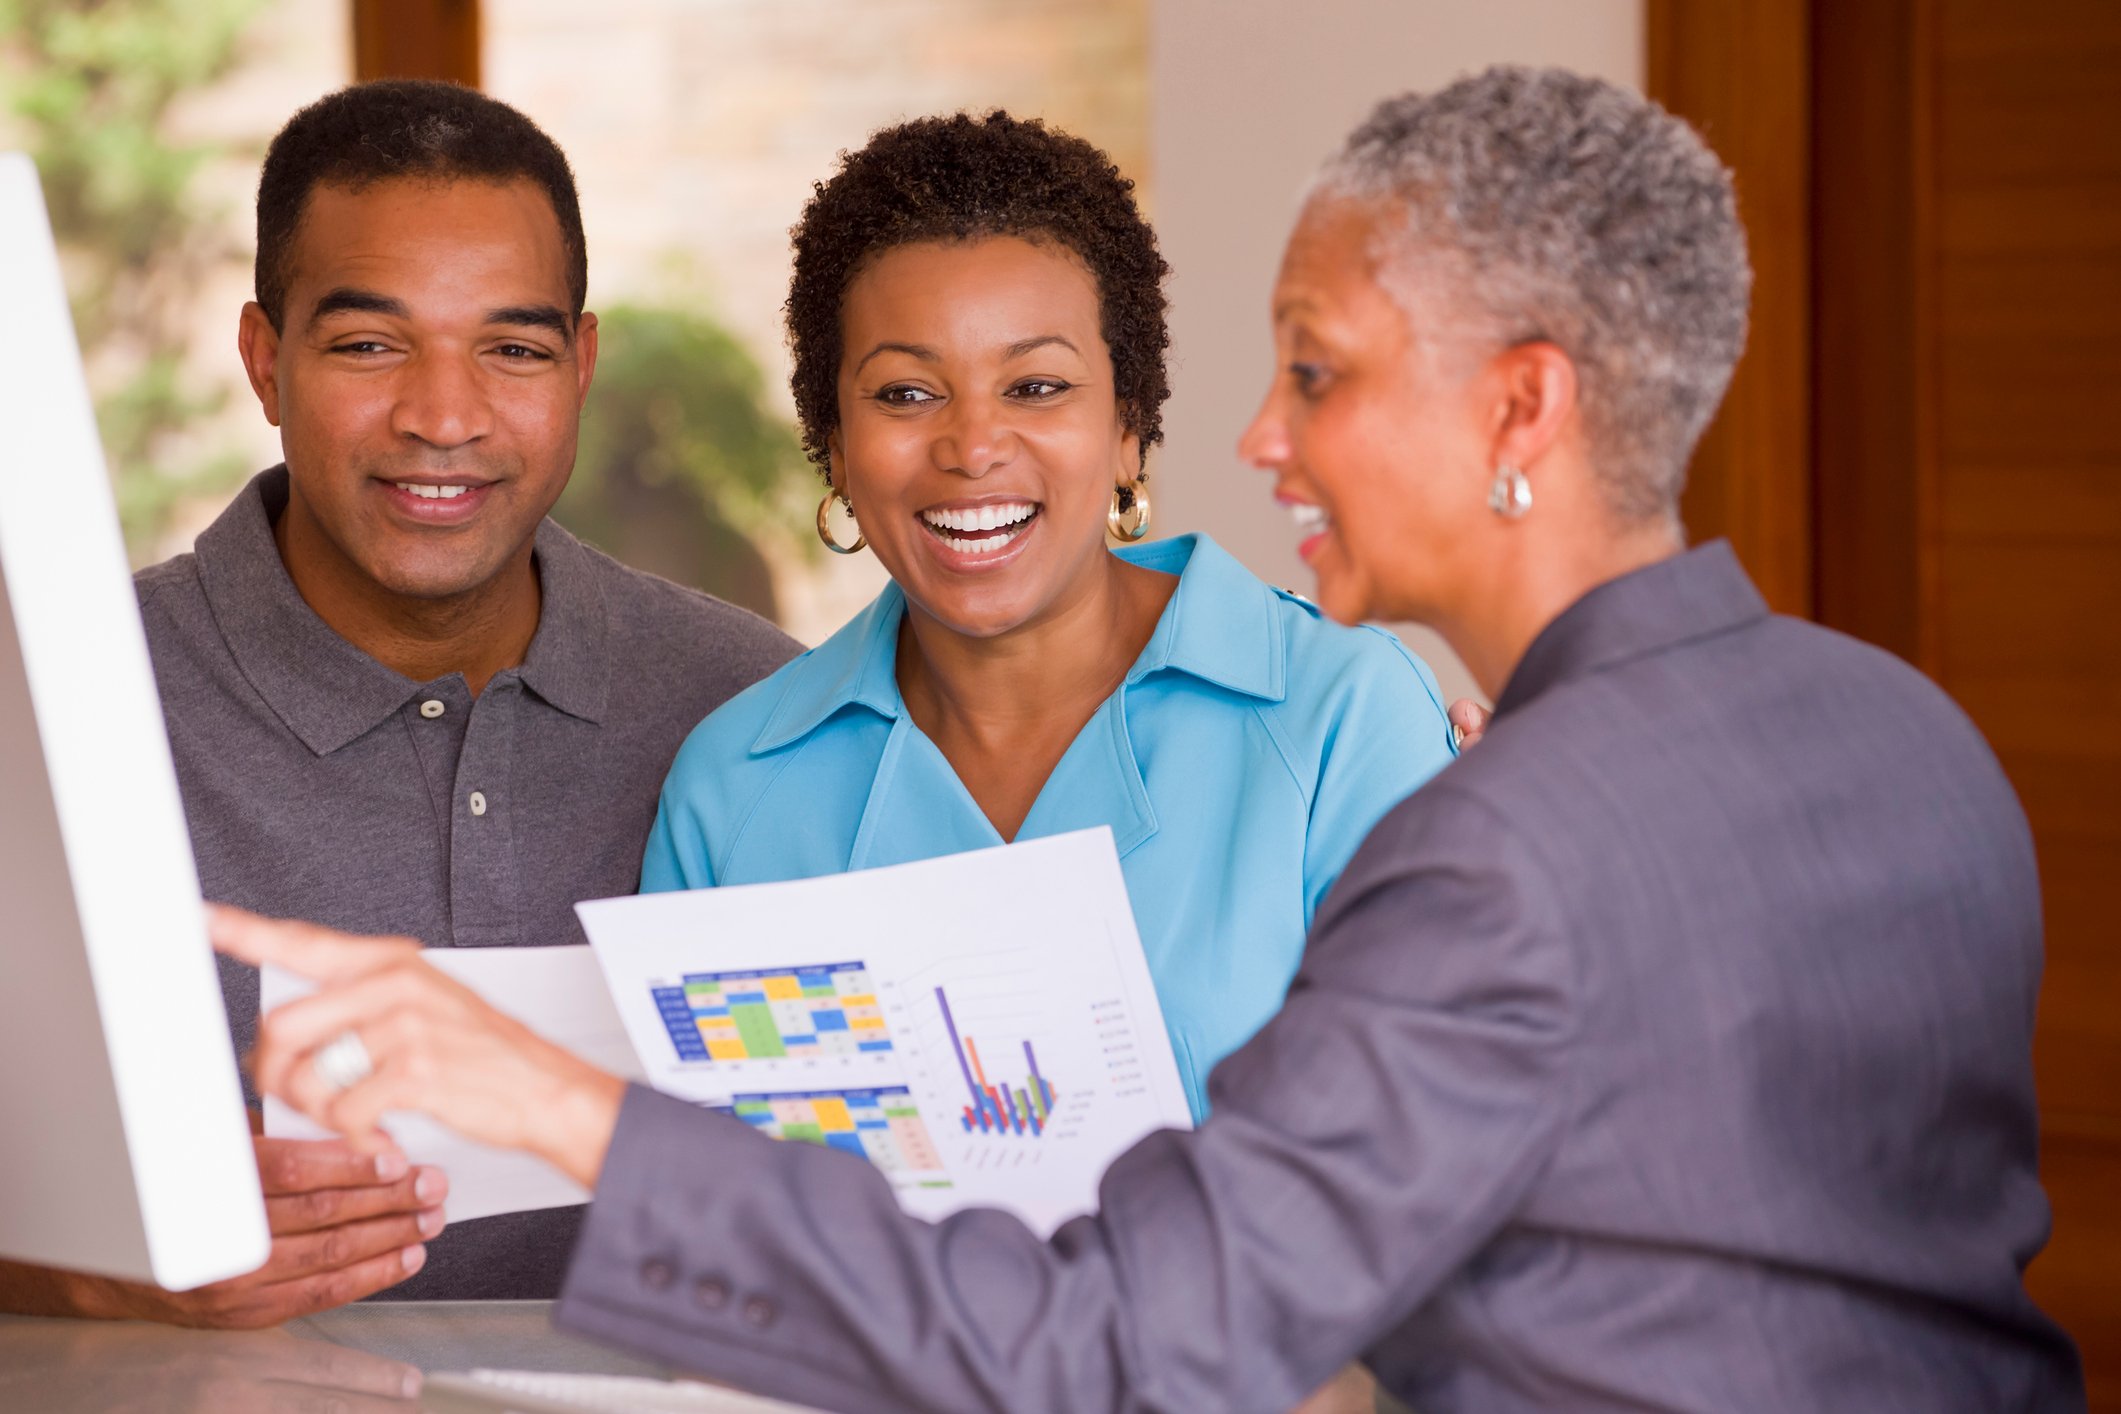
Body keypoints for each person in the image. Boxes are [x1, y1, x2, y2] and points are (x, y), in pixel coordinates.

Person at [224, 65, 2085, 1409]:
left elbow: (1142, 1332)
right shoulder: (1907, 733)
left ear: (1523, 404)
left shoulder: (1486, 819)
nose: (1263, 444)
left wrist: (559, 1102)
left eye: (1322, 375)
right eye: (903, 394)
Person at [0, 81, 795, 1326]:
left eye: (514, 349)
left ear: (580, 368)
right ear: (265, 360)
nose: (443, 416)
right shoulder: (51, 721)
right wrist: (109, 1276)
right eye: (369, 345)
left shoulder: (752, 707)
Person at [641, 111, 1460, 1121]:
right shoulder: (733, 789)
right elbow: (703, 1215)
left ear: (1127, 428)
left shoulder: (1345, 720)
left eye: (1036, 385)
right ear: (836, 445)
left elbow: (1440, 1164)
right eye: (905, 392)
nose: (974, 445)